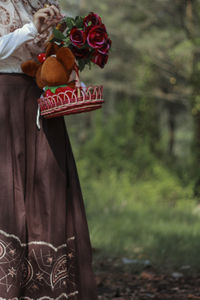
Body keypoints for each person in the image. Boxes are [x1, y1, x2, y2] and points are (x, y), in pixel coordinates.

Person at [0, 1, 98, 299]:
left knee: (48, 192)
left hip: (43, 105)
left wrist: (73, 51)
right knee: (8, 193)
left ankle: (44, 289)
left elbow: (51, 59)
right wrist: (32, 29)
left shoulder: (42, 3)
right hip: (5, 104)